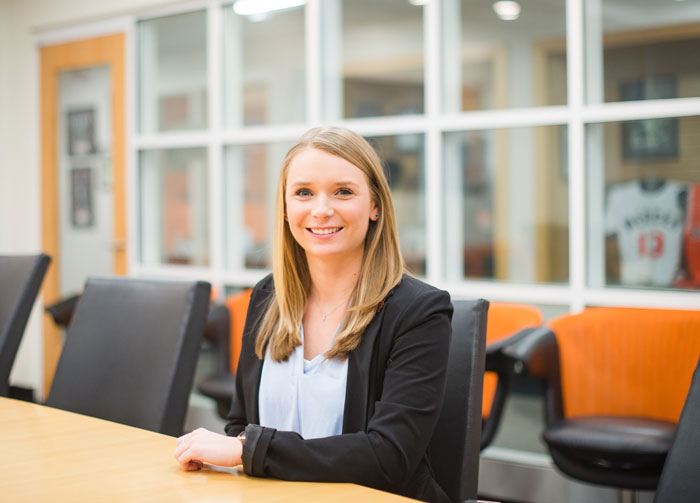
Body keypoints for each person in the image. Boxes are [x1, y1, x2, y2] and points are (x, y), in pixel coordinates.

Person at [174, 126, 453, 503]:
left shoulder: (419, 312)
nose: (321, 210)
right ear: (287, 209)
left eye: (343, 191)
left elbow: (389, 458)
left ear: (375, 206)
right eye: (303, 193)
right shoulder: (267, 297)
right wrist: (247, 452)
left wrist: (249, 452)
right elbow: (242, 424)